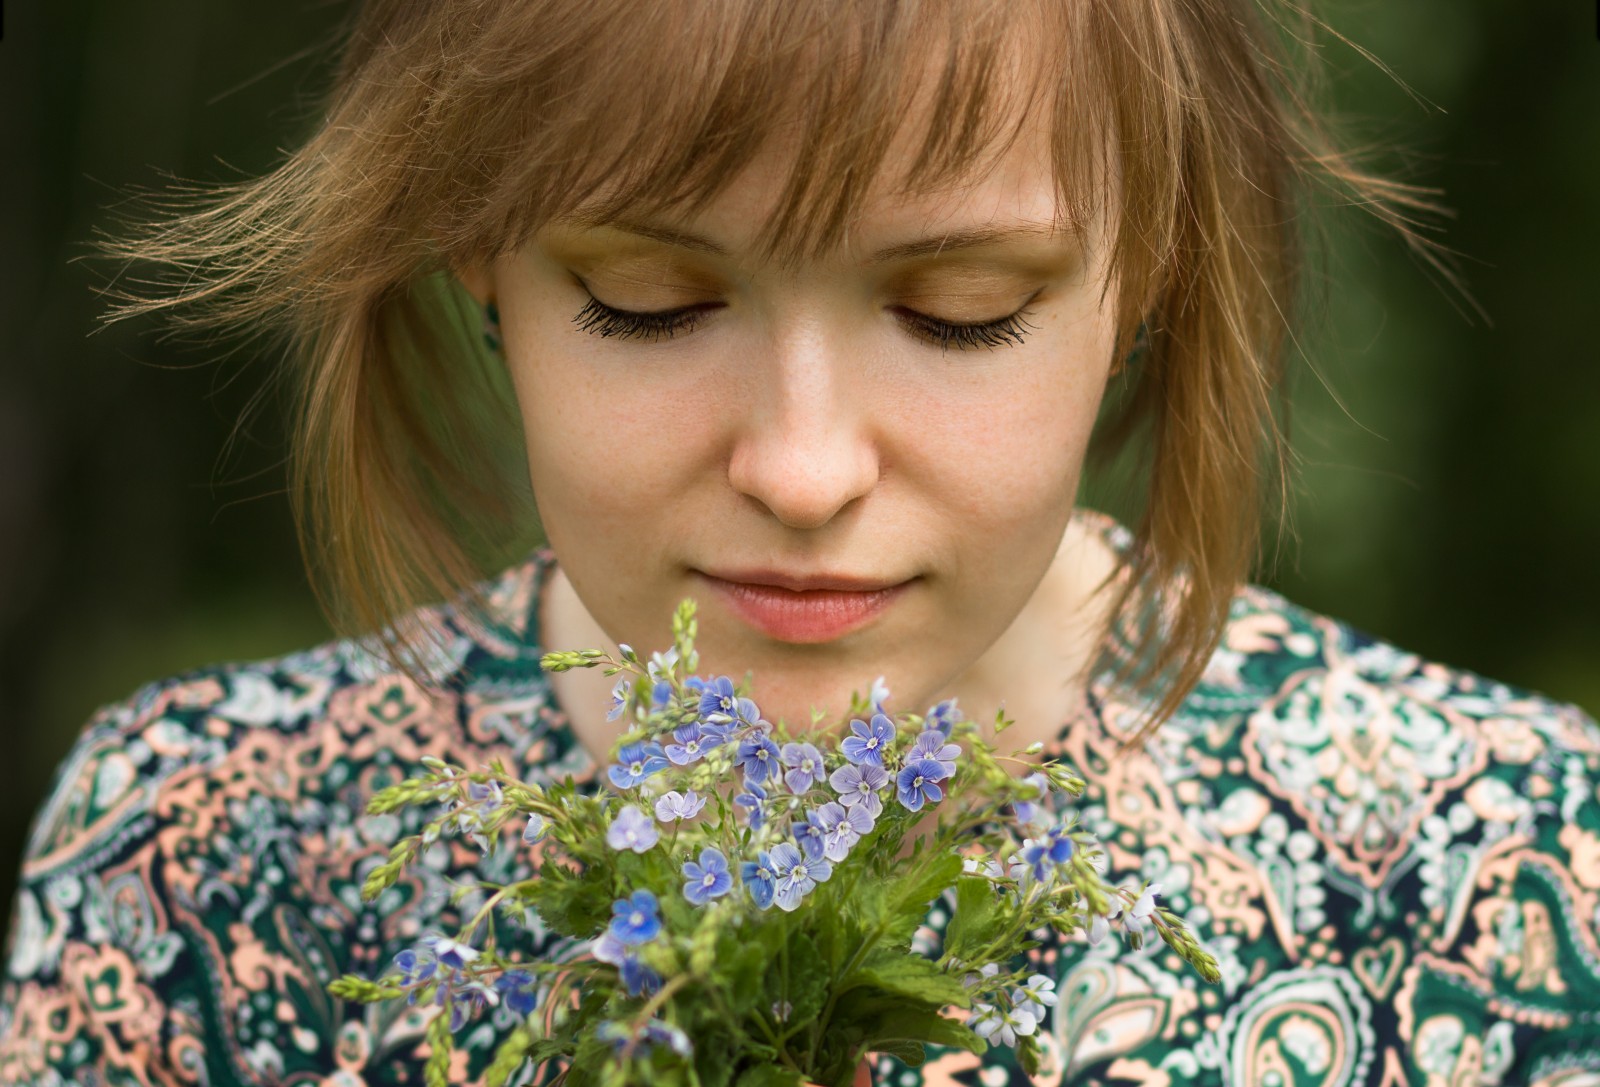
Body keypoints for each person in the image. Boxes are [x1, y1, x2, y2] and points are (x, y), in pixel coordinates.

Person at [3, 1, 1598, 1084]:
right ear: (479, 257)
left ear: (1157, 268)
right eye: (653, 303)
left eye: (962, 312)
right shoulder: (201, 858)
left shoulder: (1490, 864)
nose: (807, 467)